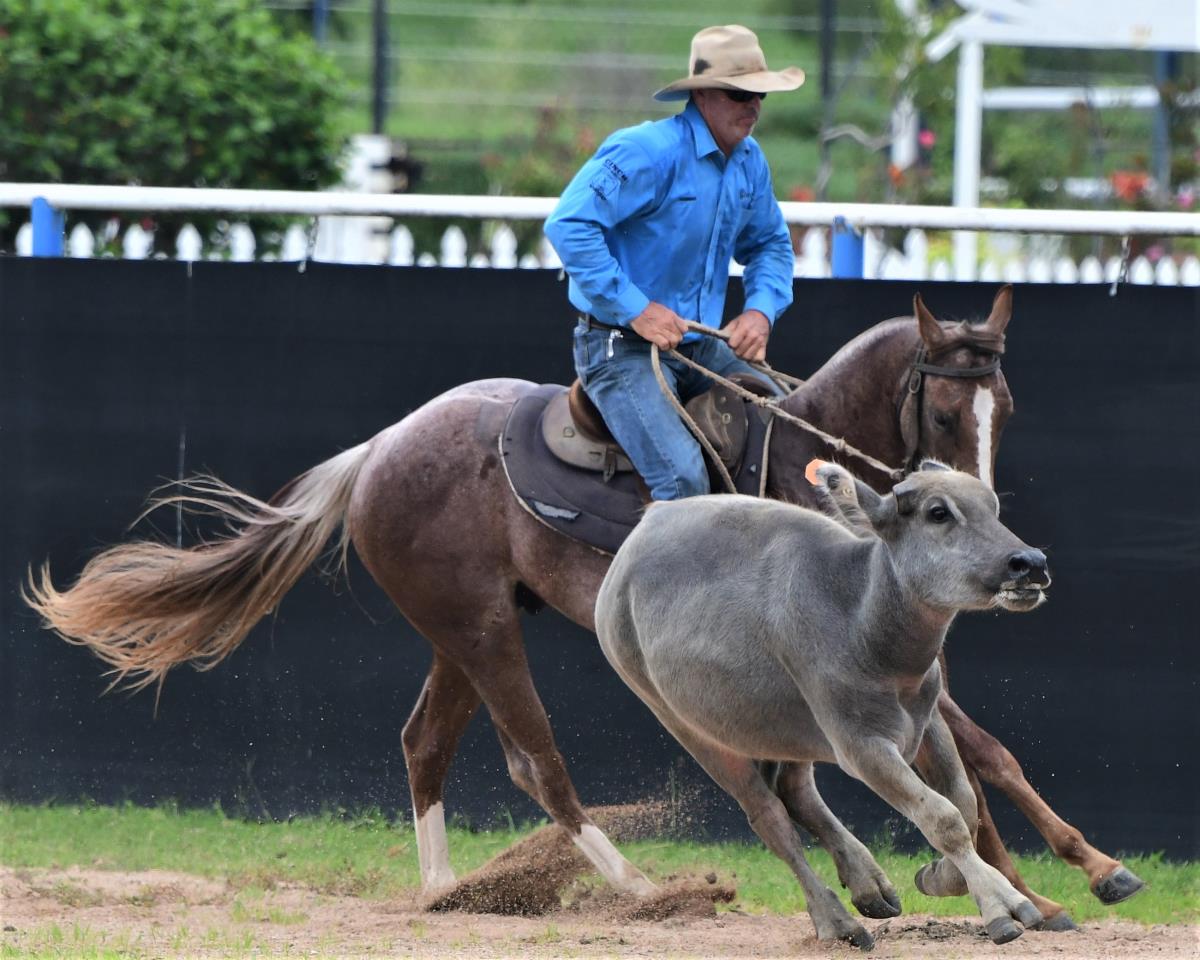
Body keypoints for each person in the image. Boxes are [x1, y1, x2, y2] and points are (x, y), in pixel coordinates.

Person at [543, 24, 804, 501]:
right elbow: (569, 225)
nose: (753, 105)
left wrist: (760, 311)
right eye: (738, 92)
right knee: (682, 480)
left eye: (759, 94)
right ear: (702, 94)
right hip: (618, 347)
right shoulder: (645, 151)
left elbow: (769, 244)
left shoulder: (750, 162)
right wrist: (637, 309)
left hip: (699, 348)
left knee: (796, 431)